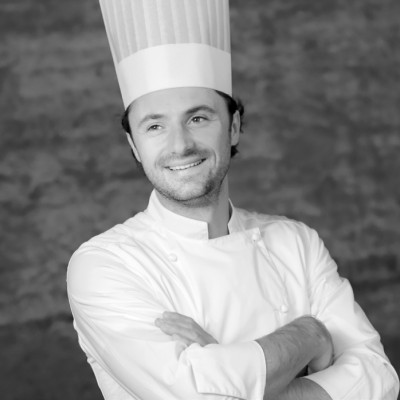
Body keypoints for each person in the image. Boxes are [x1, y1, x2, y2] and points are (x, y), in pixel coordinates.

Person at [67, 1, 399, 399]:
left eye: (198, 118)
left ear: (234, 126)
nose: (180, 145)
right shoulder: (105, 265)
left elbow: (379, 378)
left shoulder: (295, 243)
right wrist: (309, 335)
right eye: (155, 126)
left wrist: (230, 371)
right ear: (134, 145)